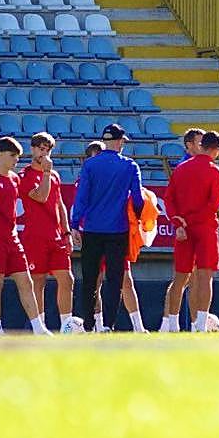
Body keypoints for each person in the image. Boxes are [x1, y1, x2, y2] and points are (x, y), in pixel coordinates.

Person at [0, 137, 53, 335]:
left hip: (12, 238)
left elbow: (39, 197)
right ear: (0, 155)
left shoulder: (15, 179)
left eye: (18, 156)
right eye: (12, 155)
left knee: (26, 281)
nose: (16, 159)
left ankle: (38, 328)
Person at [71, 123, 143, 331]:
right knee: (114, 280)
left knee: (90, 279)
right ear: (120, 141)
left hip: (92, 230)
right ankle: (109, 325)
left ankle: (89, 324)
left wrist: (76, 224)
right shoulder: (129, 166)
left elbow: (81, 197)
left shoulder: (91, 165)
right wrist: (136, 218)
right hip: (118, 230)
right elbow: (138, 199)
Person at [161, 131, 219, 332]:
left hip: (183, 230)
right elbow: (213, 205)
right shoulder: (216, 173)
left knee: (180, 278)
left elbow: (169, 198)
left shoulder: (181, 169)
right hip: (204, 229)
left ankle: (172, 324)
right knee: (205, 277)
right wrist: (191, 222)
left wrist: (179, 223)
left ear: (201, 145)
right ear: (216, 150)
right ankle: (200, 325)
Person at [17, 132, 75, 331]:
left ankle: (66, 326)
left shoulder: (54, 175)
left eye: (47, 150)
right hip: (35, 237)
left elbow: (59, 204)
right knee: (38, 282)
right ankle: (38, 328)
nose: (43, 153)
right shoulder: (23, 176)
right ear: (32, 149)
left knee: (67, 279)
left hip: (56, 236)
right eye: (40, 149)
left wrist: (67, 233)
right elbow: (41, 197)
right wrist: (46, 173)